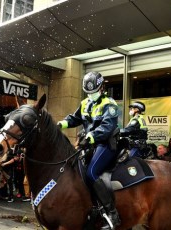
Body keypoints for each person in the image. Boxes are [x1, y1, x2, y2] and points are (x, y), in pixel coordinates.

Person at [57, 71, 120, 229]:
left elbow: (107, 126)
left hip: (105, 144)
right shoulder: (85, 103)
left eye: (94, 92)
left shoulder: (110, 104)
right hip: (89, 145)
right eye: (88, 93)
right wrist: (61, 124)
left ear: (101, 87)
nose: (91, 95)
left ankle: (112, 213)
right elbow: (74, 118)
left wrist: (91, 136)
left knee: (91, 173)